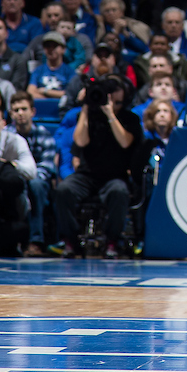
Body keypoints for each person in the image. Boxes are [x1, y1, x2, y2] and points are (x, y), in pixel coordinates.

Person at [51, 75, 144, 259]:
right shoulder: (88, 115)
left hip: (115, 176)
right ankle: (72, 240)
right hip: (87, 175)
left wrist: (110, 115)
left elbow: (125, 142)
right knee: (63, 189)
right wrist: (85, 107)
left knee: (119, 191)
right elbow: (80, 141)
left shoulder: (129, 118)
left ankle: (112, 241)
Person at [9, 93, 59, 257]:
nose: (20, 113)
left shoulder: (43, 134)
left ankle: (36, 241)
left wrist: (26, 175)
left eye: (24, 109)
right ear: (11, 114)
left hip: (36, 179)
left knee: (35, 185)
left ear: (33, 112)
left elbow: (47, 167)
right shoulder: (7, 136)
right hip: (12, 178)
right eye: (16, 110)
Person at [29, 31, 74, 99]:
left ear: (63, 49)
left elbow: (70, 94)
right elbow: (30, 92)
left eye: (55, 46)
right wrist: (48, 101)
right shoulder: (38, 71)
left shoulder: (70, 72)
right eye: (48, 46)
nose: (51, 49)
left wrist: (45, 91)